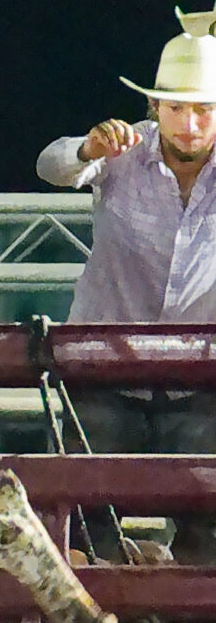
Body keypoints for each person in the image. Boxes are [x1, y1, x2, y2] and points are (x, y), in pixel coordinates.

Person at [36, 31, 216, 561]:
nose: (190, 124)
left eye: (205, 110)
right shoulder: (122, 152)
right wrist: (88, 148)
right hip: (104, 373)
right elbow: (52, 165)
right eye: (178, 108)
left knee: (209, 532)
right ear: (154, 106)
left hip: (199, 379)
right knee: (79, 521)